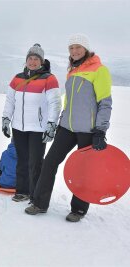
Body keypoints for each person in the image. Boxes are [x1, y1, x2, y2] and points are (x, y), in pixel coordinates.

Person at [25, 34, 112, 222]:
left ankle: (78, 209)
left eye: (78, 47)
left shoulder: (100, 70)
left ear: (86, 49)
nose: (74, 51)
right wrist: (60, 120)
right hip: (67, 128)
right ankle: (40, 203)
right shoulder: (73, 70)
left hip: (88, 130)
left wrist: (100, 130)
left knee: (83, 170)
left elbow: (105, 103)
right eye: (71, 48)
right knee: (49, 162)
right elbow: (69, 102)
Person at [2, 44, 62, 202]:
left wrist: (51, 124)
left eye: (36, 59)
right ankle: (22, 191)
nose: (33, 61)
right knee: (22, 160)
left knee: (35, 162)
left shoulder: (49, 78)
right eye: (30, 58)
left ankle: (35, 195)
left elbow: (55, 103)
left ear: (42, 61)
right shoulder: (18, 78)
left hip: (38, 128)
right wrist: (6, 118)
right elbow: (10, 101)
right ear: (26, 60)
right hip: (18, 127)